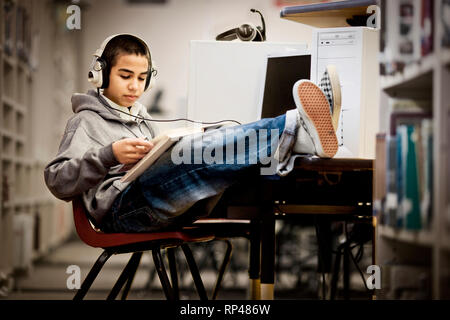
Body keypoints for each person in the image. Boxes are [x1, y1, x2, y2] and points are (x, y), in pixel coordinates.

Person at [44, 34, 341, 233]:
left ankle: (299, 141)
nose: (134, 86)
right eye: (125, 76)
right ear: (100, 73)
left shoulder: (141, 118)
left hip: (153, 205)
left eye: (141, 78)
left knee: (223, 147)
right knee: (196, 152)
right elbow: (57, 179)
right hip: (123, 211)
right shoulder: (85, 121)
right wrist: (110, 155)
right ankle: (292, 128)